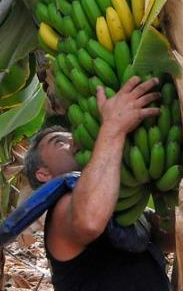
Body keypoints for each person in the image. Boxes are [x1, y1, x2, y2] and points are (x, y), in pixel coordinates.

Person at [23, 76, 173, 290]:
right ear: (43, 174)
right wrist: (113, 127)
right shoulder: (61, 210)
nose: (73, 141)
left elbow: (173, 240)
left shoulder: (119, 205)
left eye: (71, 135)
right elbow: (89, 222)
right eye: (60, 142)